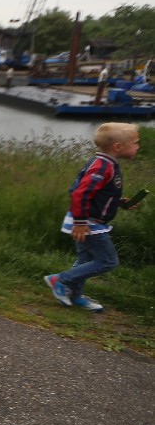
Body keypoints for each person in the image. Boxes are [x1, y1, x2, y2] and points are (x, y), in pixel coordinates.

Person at [44, 122, 142, 312]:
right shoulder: (102, 167)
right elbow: (80, 194)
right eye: (135, 143)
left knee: (85, 260)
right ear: (118, 147)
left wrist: (118, 202)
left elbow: (98, 194)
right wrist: (81, 223)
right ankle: (60, 280)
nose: (138, 147)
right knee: (108, 261)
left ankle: (74, 294)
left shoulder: (107, 164)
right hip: (88, 223)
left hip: (87, 221)